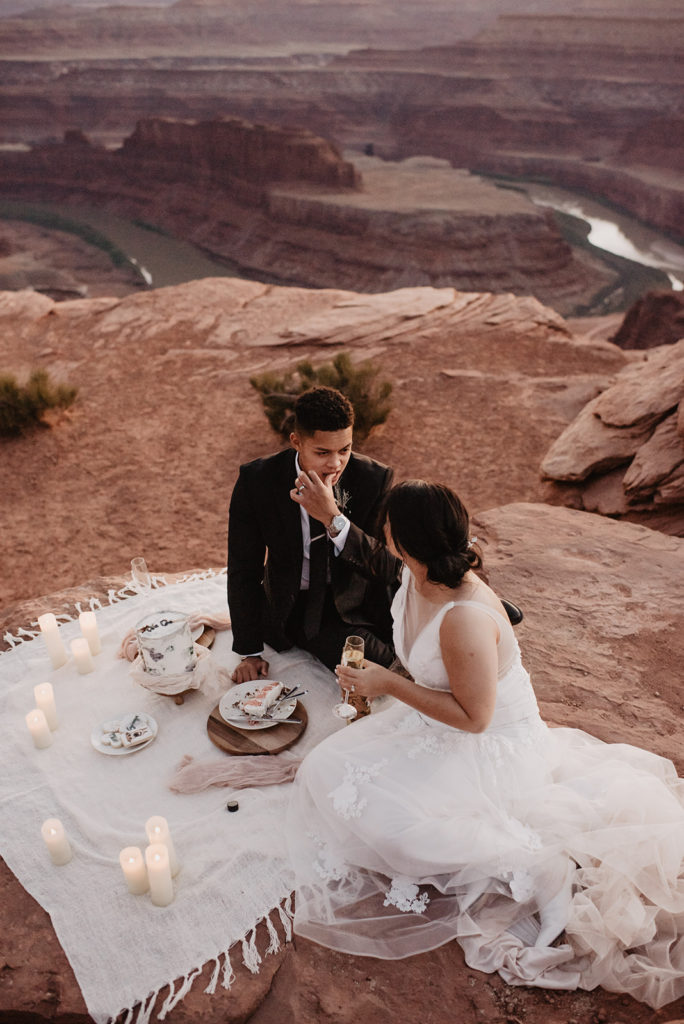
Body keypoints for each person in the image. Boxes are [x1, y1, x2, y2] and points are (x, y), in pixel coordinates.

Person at [286, 480, 684, 1010]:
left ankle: (538, 860)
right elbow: (380, 565)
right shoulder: (417, 569)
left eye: (390, 535)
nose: (388, 545)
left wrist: (388, 685)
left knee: (401, 834)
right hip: (432, 724)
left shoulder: (464, 618)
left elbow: (476, 719)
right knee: (324, 769)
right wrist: (332, 517)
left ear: (406, 542)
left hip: (491, 746)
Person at [227, 386, 397, 682]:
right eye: (322, 452)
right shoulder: (257, 482)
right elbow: (243, 568)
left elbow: (382, 565)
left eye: (344, 450)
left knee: (424, 649)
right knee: (382, 667)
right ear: (297, 442)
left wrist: (333, 518)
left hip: (364, 597)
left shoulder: (374, 478)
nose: (335, 463)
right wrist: (249, 651)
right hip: (301, 606)